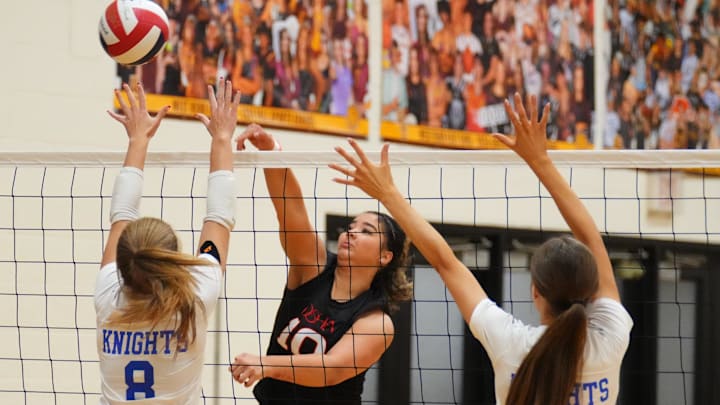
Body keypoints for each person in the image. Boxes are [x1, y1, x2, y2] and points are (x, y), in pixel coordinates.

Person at [329, 93, 633, 405]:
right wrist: (541, 160)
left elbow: (447, 263)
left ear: (535, 292)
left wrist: (387, 192)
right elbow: (592, 238)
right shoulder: (611, 337)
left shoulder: (512, 344)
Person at [229, 123, 413, 404]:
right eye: (352, 226)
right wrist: (272, 152)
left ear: (384, 257)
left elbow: (332, 368)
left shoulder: (376, 321)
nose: (351, 232)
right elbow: (290, 209)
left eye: (366, 231)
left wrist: (266, 363)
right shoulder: (312, 267)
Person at [95, 79, 239, 403]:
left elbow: (122, 214)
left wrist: (137, 141)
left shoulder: (107, 293)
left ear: (122, 263)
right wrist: (222, 137)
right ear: (173, 259)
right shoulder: (196, 294)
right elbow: (219, 215)